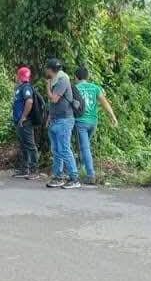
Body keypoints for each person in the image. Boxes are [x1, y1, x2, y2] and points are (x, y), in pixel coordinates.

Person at [72, 66, 119, 185]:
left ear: (76, 77)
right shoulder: (95, 88)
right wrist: (112, 117)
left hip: (80, 121)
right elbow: (104, 103)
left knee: (84, 147)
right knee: (84, 146)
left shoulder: (75, 88)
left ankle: (90, 174)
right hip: (93, 122)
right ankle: (82, 169)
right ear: (87, 77)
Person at [43, 58, 81, 189]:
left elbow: (53, 99)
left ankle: (74, 178)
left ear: (50, 69)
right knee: (56, 150)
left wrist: (47, 86)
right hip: (55, 119)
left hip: (65, 119)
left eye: (47, 68)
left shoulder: (62, 79)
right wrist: (49, 118)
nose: (45, 71)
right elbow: (52, 105)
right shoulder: (56, 80)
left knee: (64, 148)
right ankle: (58, 176)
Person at [11, 67, 42, 179]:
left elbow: (29, 101)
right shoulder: (20, 88)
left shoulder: (26, 87)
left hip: (25, 122)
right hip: (19, 122)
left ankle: (34, 170)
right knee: (23, 145)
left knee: (30, 145)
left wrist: (23, 117)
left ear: (19, 76)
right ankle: (25, 169)